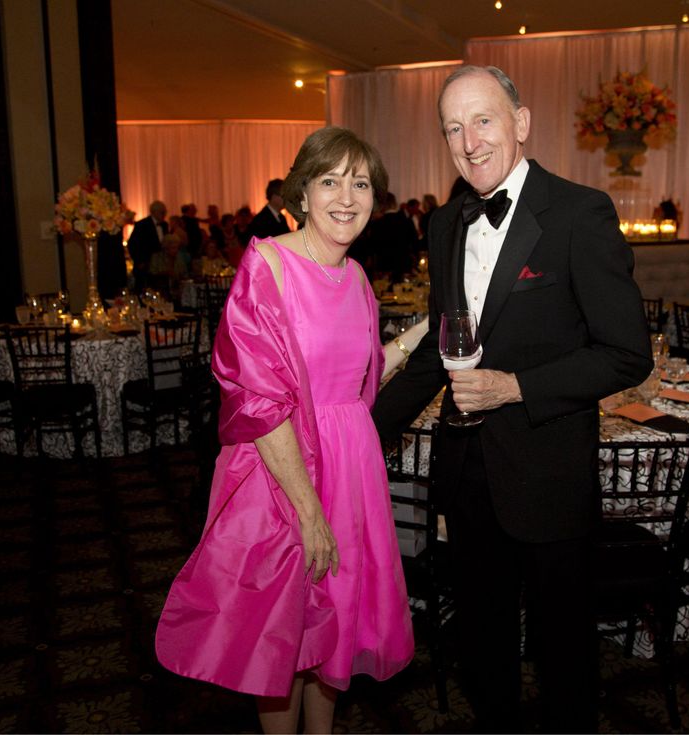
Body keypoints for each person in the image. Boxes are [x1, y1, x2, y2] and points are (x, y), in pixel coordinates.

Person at [372, 65, 652, 733]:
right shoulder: (443, 225)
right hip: (467, 476)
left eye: (484, 120)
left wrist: (515, 387)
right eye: (453, 128)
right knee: (482, 647)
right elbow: (444, 355)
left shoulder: (580, 213)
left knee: (564, 657)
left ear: (521, 124)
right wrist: (355, 426)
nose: (469, 142)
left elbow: (626, 352)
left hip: (549, 474)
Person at [155, 126, 428, 734]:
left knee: (336, 624)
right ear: (302, 193)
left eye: (360, 184)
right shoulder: (268, 265)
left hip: (350, 468)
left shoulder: (357, 278)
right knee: (283, 629)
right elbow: (260, 399)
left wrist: (420, 334)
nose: (346, 196)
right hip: (284, 472)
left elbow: (358, 385)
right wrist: (307, 511)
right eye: (330, 180)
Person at [127, 200, 168, 293]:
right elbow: (132, 244)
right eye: (162, 212)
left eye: (165, 212)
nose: (164, 215)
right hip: (145, 264)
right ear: (154, 212)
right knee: (143, 290)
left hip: (160, 265)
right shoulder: (142, 225)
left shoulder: (165, 225)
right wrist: (139, 261)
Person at [149, 233, 190, 302]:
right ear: (166, 248)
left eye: (177, 248)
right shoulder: (157, 258)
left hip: (177, 290)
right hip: (160, 290)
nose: (175, 251)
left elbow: (184, 274)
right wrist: (165, 273)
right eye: (173, 248)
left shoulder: (179, 258)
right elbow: (152, 273)